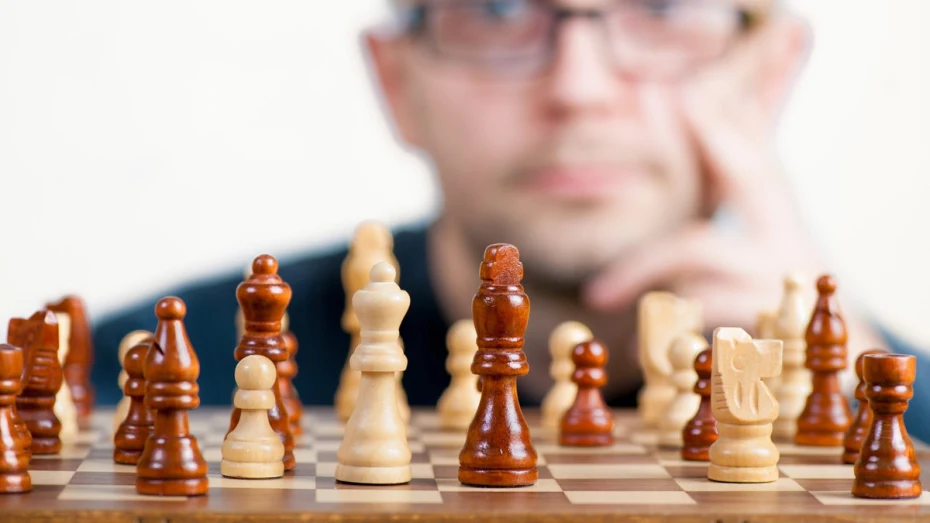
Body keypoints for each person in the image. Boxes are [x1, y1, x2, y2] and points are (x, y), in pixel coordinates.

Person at [93, 0, 929, 440]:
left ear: (771, 72)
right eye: (496, 8)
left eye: (665, 8)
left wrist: (855, 386)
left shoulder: (887, 406)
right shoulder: (117, 386)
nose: (580, 86)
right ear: (394, 81)